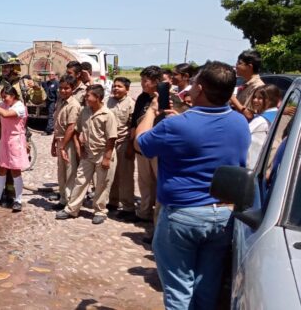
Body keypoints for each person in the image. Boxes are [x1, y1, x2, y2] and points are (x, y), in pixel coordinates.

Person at [135, 61, 250, 310]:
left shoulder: (176, 125)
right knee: (206, 287)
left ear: (198, 88)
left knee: (178, 291)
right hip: (223, 215)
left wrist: (152, 112)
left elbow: (141, 143)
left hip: (183, 215)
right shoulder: (240, 122)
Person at [0, 52, 45, 202]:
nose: (4, 69)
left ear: (14, 67)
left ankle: (12, 195)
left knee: (14, 163)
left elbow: (39, 100)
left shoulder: (24, 84)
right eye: (2, 67)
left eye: (7, 66)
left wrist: (37, 88)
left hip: (15, 131)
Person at [56, 84, 118, 224]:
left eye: (89, 95)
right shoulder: (85, 111)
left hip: (103, 153)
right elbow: (77, 130)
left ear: (98, 97)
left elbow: (111, 138)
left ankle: (100, 211)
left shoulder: (108, 115)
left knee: (102, 184)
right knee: (80, 181)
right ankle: (72, 209)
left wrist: (107, 158)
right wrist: (81, 148)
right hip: (88, 153)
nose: (86, 97)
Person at [0, 86, 30, 212]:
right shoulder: (4, 103)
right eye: (2, 97)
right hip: (4, 140)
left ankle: (18, 200)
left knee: (15, 170)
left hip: (16, 141)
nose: (3, 99)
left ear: (13, 96)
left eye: (6, 97)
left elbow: (5, 114)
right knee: (1, 168)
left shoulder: (20, 107)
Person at [128, 65, 163, 223]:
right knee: (144, 180)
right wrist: (132, 141)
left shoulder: (164, 98)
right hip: (141, 145)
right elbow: (134, 120)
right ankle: (144, 212)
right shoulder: (142, 98)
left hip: (158, 147)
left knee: (159, 181)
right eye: (141, 80)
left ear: (156, 81)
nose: (143, 83)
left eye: (145, 81)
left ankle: (158, 218)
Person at [106, 77, 137, 219]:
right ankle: (113, 201)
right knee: (111, 174)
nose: (116, 88)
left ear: (127, 89)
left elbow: (133, 127)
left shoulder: (131, 104)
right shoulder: (108, 102)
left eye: (119, 86)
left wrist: (131, 146)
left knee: (125, 176)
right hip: (109, 142)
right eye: (114, 86)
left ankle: (128, 207)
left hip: (124, 142)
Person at [50, 74, 81, 208]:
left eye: (66, 88)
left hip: (68, 143)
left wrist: (62, 146)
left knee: (70, 172)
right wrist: (53, 143)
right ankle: (63, 199)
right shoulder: (60, 102)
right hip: (60, 141)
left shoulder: (73, 105)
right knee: (61, 172)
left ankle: (70, 202)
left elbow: (71, 127)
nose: (63, 91)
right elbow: (58, 125)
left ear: (72, 89)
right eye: (61, 88)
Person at [247, 84, 281, 168]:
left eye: (260, 98)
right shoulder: (278, 115)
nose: (255, 100)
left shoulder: (260, 121)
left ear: (271, 100)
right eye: (254, 97)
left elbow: (252, 153)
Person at [230, 49, 264, 121]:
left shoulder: (257, 86)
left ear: (249, 67)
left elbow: (249, 115)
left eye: (239, 63)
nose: (236, 66)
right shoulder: (246, 84)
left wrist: (232, 98)